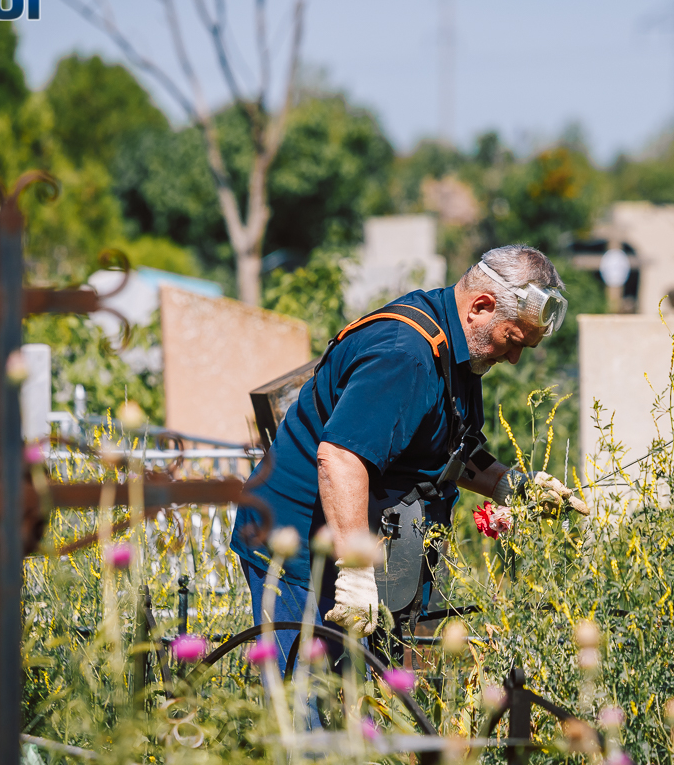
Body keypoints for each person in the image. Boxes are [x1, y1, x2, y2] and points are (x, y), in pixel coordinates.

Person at [231, 244, 587, 677]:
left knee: (362, 717)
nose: (513, 358)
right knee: (305, 718)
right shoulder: (405, 354)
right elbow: (340, 458)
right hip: (297, 550)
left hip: (353, 547)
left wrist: (510, 484)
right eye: (512, 340)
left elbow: (447, 448)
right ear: (481, 306)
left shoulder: (460, 349)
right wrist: (357, 571)